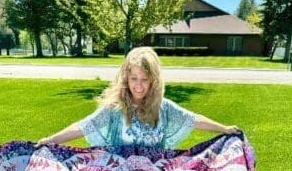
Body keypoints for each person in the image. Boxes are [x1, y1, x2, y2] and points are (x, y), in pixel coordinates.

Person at [37, 46, 240, 149]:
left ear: (153, 80)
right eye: (134, 78)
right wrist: (51, 140)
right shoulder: (115, 109)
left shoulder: (163, 108)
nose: (139, 85)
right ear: (126, 78)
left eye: (144, 79)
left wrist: (224, 129)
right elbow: (84, 126)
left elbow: (193, 119)